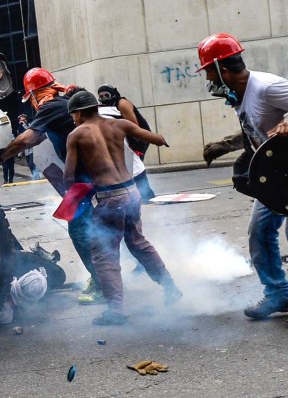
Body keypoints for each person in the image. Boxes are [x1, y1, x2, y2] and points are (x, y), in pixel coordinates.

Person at [63, 90, 182, 325]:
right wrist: (161, 139)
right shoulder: (119, 125)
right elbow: (153, 137)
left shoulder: (76, 135)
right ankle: (170, 286)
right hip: (132, 192)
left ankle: (116, 311)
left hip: (109, 198)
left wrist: (79, 192)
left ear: (78, 113)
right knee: (138, 242)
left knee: (105, 254)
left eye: (73, 115)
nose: (73, 119)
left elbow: (68, 176)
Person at [0, 67, 105, 304]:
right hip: (94, 174)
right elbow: (44, 135)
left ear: (33, 94)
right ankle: (108, 275)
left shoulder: (50, 107)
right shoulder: (62, 103)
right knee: (97, 227)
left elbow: (29, 138)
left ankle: (102, 283)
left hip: (85, 178)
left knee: (80, 229)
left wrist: (1, 156)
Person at [197, 32, 288, 319]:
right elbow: (255, 128)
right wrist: (224, 145)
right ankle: (278, 294)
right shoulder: (240, 95)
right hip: (277, 175)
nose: (208, 79)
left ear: (223, 69)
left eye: (209, 71)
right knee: (259, 231)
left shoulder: (265, 86)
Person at [97, 84, 156, 203]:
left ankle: (144, 194)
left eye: (106, 95)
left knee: (134, 165)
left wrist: (132, 146)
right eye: (101, 96)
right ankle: (137, 194)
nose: (103, 98)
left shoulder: (122, 104)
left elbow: (134, 127)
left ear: (113, 94)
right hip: (127, 139)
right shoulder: (107, 107)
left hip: (139, 139)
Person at [17, 114, 41, 180]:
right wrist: (19, 155)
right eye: (20, 120)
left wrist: (24, 124)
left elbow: (30, 132)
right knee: (30, 165)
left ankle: (37, 177)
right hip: (26, 150)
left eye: (23, 119)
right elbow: (21, 142)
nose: (21, 121)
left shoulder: (30, 125)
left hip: (33, 148)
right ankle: (35, 176)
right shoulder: (20, 129)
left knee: (31, 163)